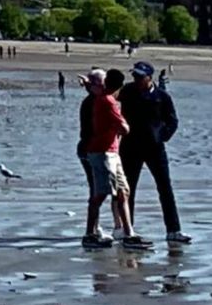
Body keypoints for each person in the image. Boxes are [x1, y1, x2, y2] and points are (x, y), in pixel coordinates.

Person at [121, 60, 184, 240]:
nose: (136, 80)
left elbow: (172, 121)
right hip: (130, 147)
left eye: (140, 77)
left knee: (165, 188)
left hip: (155, 148)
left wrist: (162, 136)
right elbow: (108, 98)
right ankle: (128, 230)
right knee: (127, 190)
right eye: (135, 76)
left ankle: (173, 230)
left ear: (149, 77)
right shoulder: (127, 91)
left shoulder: (162, 97)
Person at [77, 66, 138, 247]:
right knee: (100, 192)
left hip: (110, 151)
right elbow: (123, 128)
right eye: (100, 84)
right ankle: (92, 232)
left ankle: (127, 232)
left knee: (122, 191)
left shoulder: (102, 98)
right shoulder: (100, 101)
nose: (103, 86)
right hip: (98, 152)